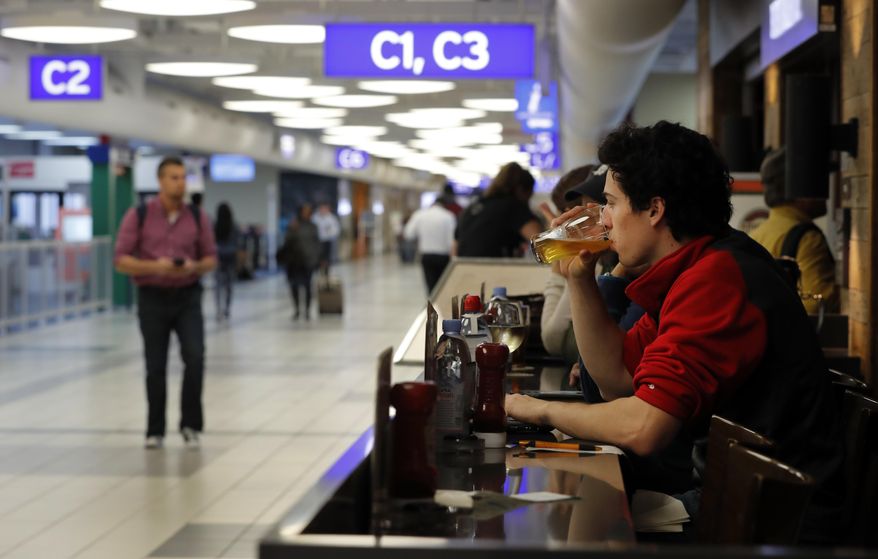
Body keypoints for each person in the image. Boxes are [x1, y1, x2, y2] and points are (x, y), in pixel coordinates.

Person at [506, 121, 844, 544]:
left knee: (580, 527)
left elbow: (643, 429)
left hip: (777, 521)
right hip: (741, 496)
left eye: (610, 203)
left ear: (654, 209)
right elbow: (617, 380)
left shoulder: (719, 279)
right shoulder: (696, 269)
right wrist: (579, 280)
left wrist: (536, 409)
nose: (602, 219)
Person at [114, 156, 217, 450]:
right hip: (153, 298)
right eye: (174, 177)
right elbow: (121, 259)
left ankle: (190, 424)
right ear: (160, 181)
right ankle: (155, 429)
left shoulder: (197, 216)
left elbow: (211, 258)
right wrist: (155, 267)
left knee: (195, 358)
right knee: (155, 365)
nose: (180, 183)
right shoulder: (139, 215)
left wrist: (194, 266)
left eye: (183, 177)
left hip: (187, 296)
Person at [749, 147, 839, 313]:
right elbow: (818, 306)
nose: (827, 189)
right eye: (818, 180)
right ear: (798, 187)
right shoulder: (808, 239)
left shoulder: (754, 236)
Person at [454, 162, 542, 258]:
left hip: (463, 269)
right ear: (521, 190)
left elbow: (454, 252)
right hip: (495, 269)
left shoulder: (471, 208)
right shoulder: (514, 206)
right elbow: (541, 243)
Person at [403, 197, 456, 294]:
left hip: (426, 255)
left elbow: (408, 233)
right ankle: (442, 306)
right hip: (443, 256)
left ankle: (432, 306)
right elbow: (451, 240)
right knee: (442, 286)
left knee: (430, 286)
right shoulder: (448, 216)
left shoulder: (420, 215)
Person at [279, 204, 321, 320]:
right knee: (294, 286)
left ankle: (307, 310)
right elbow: (287, 242)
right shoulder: (293, 225)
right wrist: (292, 229)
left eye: (308, 211)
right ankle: (297, 309)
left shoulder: (313, 226)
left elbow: (317, 243)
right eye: (304, 211)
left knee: (307, 286)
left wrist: (319, 258)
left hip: (308, 261)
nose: (306, 214)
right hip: (294, 261)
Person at [213, 202, 239, 321]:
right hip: (230, 258)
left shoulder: (214, 226)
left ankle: (219, 309)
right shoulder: (234, 226)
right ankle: (227, 309)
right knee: (229, 285)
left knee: (218, 285)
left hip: (218, 257)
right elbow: (237, 244)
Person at [312, 203, 341, 277]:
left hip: (327, 241)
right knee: (317, 257)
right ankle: (317, 270)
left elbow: (336, 230)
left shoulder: (331, 218)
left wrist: (329, 233)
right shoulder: (315, 217)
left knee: (326, 257)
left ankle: (326, 271)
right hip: (317, 241)